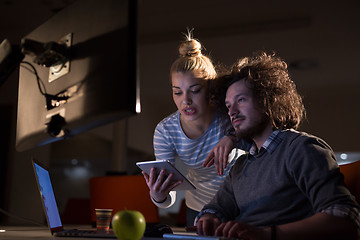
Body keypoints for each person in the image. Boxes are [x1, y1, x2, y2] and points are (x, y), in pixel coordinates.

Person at [195, 51, 360, 239]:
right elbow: (216, 209)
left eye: (240, 100)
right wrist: (209, 218)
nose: (232, 111)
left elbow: (344, 219)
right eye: (228, 105)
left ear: (268, 100)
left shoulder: (302, 149)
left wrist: (267, 234)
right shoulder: (240, 166)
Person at [141, 31, 243, 226]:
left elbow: (265, 141)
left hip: (241, 204)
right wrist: (158, 196)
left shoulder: (229, 115)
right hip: (200, 209)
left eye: (195, 90)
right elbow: (167, 198)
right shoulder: (166, 131)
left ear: (211, 89)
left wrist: (233, 138)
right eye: (177, 92)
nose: (185, 101)